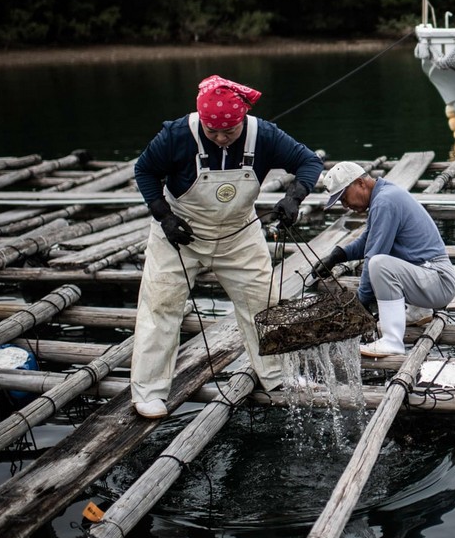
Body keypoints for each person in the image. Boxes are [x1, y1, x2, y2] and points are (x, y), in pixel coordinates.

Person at [131, 75, 324, 418]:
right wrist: (163, 215)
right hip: (181, 232)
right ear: (201, 120)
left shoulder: (263, 134)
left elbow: (309, 162)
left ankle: (277, 376)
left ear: (241, 121)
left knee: (264, 302)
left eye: (229, 132)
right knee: (161, 307)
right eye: (212, 131)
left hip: (239, 232)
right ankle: (149, 392)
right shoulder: (176, 135)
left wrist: (294, 196)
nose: (221, 138)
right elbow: (145, 171)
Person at [312, 161, 455, 357]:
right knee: (381, 262)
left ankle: (391, 341)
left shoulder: (385, 201)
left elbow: (373, 254)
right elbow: (368, 240)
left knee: (379, 264)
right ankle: (419, 313)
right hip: (431, 278)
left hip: (439, 281)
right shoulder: (384, 195)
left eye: (344, 197)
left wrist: (361, 302)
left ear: (360, 183)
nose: (345, 205)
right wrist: (338, 256)